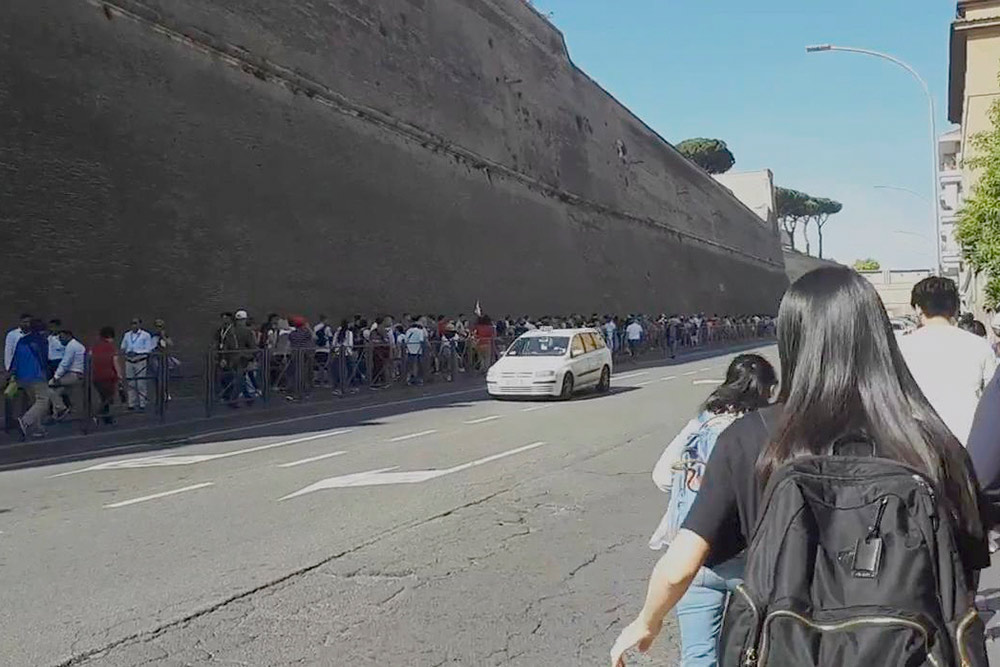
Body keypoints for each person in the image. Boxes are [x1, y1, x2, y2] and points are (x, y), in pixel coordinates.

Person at [611, 267, 989, 667]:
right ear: (878, 336)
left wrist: (646, 622)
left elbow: (680, 566)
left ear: (792, 340)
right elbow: (963, 572)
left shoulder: (751, 437)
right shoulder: (932, 441)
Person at [646, 354, 777, 666]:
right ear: (768, 389)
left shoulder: (703, 422)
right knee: (758, 649)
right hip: (750, 559)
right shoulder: (762, 429)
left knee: (698, 656)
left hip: (696, 556)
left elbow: (662, 476)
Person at [898, 276, 997, 445]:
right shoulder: (979, 346)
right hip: (970, 442)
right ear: (955, 308)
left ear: (918, 309)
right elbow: (994, 400)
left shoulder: (900, 347)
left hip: (917, 444)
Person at [10, 319, 50, 438]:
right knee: (43, 401)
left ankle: (37, 429)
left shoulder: (22, 340)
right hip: (36, 375)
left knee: (34, 402)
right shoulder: (41, 341)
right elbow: (43, 359)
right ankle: (25, 421)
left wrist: (13, 374)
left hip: (22, 377)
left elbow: (15, 359)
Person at [48, 330, 86, 419]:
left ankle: (62, 408)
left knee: (48, 386)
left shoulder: (71, 346)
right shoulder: (78, 345)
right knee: (57, 392)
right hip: (77, 374)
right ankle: (56, 415)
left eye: (62, 338)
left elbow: (65, 363)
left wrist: (56, 376)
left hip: (73, 374)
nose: (60, 340)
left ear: (68, 336)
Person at [91, 326, 123, 425]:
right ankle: (96, 415)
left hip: (96, 376)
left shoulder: (94, 347)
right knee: (108, 398)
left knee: (103, 397)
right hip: (109, 376)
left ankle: (107, 418)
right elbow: (115, 361)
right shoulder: (111, 347)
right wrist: (119, 375)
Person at [120, 318, 153, 411]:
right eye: (132, 323)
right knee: (131, 383)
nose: (133, 325)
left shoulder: (146, 335)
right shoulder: (127, 335)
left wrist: (137, 352)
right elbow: (123, 347)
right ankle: (131, 403)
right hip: (129, 361)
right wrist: (126, 352)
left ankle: (142, 403)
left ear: (140, 324)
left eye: (135, 323)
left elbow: (148, 349)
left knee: (141, 383)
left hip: (140, 361)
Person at [404, 320, 427, 385]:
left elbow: (405, 340)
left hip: (409, 350)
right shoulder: (420, 331)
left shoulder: (408, 331)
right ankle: (417, 379)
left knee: (410, 365)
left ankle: (409, 379)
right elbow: (421, 340)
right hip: (418, 351)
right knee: (418, 365)